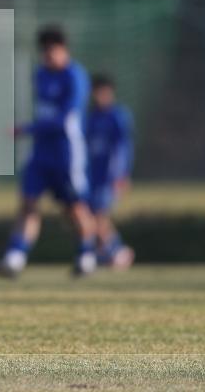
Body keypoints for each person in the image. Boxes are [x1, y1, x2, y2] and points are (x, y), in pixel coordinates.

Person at [0, 25, 97, 278]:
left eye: (53, 50)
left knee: (74, 208)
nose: (48, 56)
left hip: (66, 153)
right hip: (41, 153)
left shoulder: (75, 77)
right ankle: (15, 257)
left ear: (64, 50)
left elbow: (65, 120)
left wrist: (26, 129)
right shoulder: (40, 74)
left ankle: (86, 254)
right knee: (28, 203)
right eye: (45, 51)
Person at [84, 74, 135, 269]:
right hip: (92, 175)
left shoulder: (118, 116)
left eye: (102, 92)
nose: (99, 96)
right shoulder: (90, 117)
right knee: (92, 216)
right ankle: (110, 250)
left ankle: (116, 251)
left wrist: (122, 174)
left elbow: (124, 147)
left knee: (99, 216)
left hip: (109, 175)